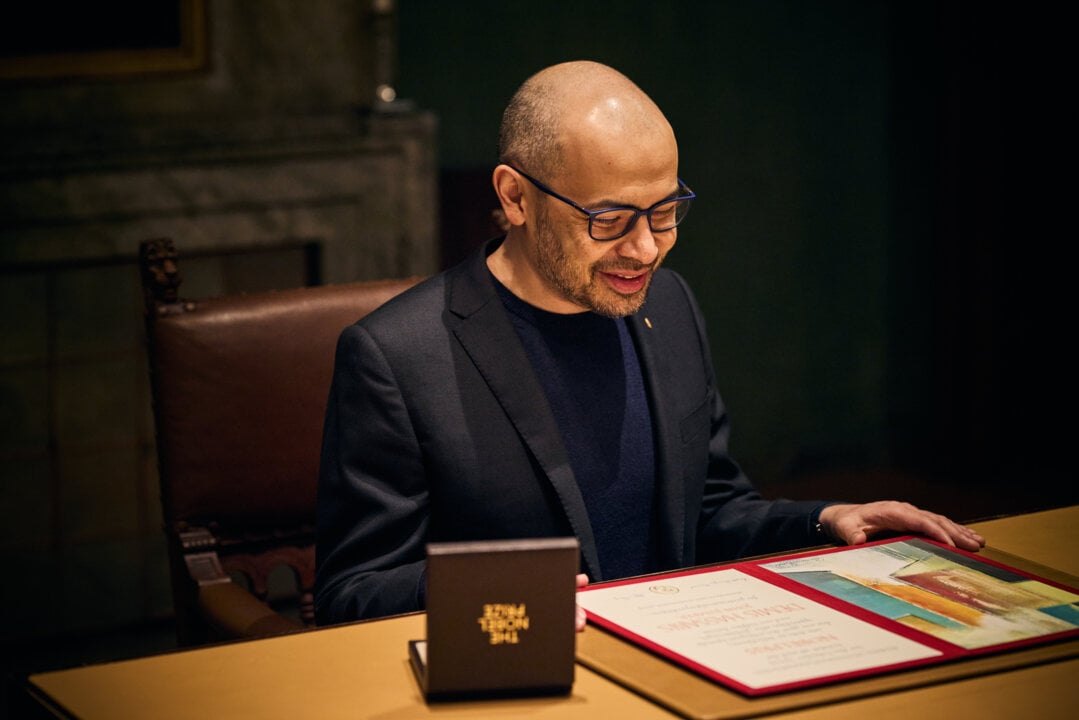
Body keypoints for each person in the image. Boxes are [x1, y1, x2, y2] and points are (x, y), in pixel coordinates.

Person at [314, 60, 984, 626]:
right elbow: (351, 594)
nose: (644, 249)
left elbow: (711, 510)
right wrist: (501, 587)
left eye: (664, 213)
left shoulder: (667, 304)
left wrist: (829, 518)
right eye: (608, 219)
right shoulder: (398, 357)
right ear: (515, 197)